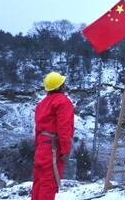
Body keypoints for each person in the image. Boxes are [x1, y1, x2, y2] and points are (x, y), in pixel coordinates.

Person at [32, 71, 75, 200]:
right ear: (60, 86)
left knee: (38, 181)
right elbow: (64, 128)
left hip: (42, 147)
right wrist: (66, 149)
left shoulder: (42, 104)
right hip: (53, 148)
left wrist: (38, 146)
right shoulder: (63, 102)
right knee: (48, 184)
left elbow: (38, 129)